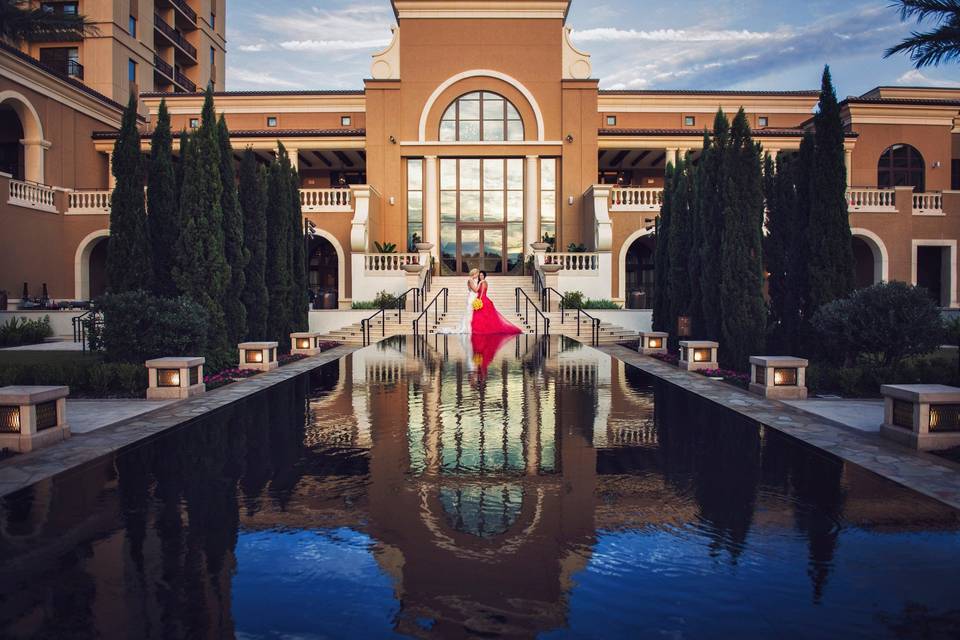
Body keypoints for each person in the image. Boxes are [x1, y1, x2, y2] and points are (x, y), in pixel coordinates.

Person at [437, 268, 479, 334]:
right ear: (475, 273)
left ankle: (473, 327)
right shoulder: (470, 280)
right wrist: (481, 285)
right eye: (477, 274)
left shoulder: (473, 280)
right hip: (472, 297)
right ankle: (468, 327)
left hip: (474, 296)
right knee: (469, 312)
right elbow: (475, 290)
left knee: (472, 312)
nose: (478, 275)